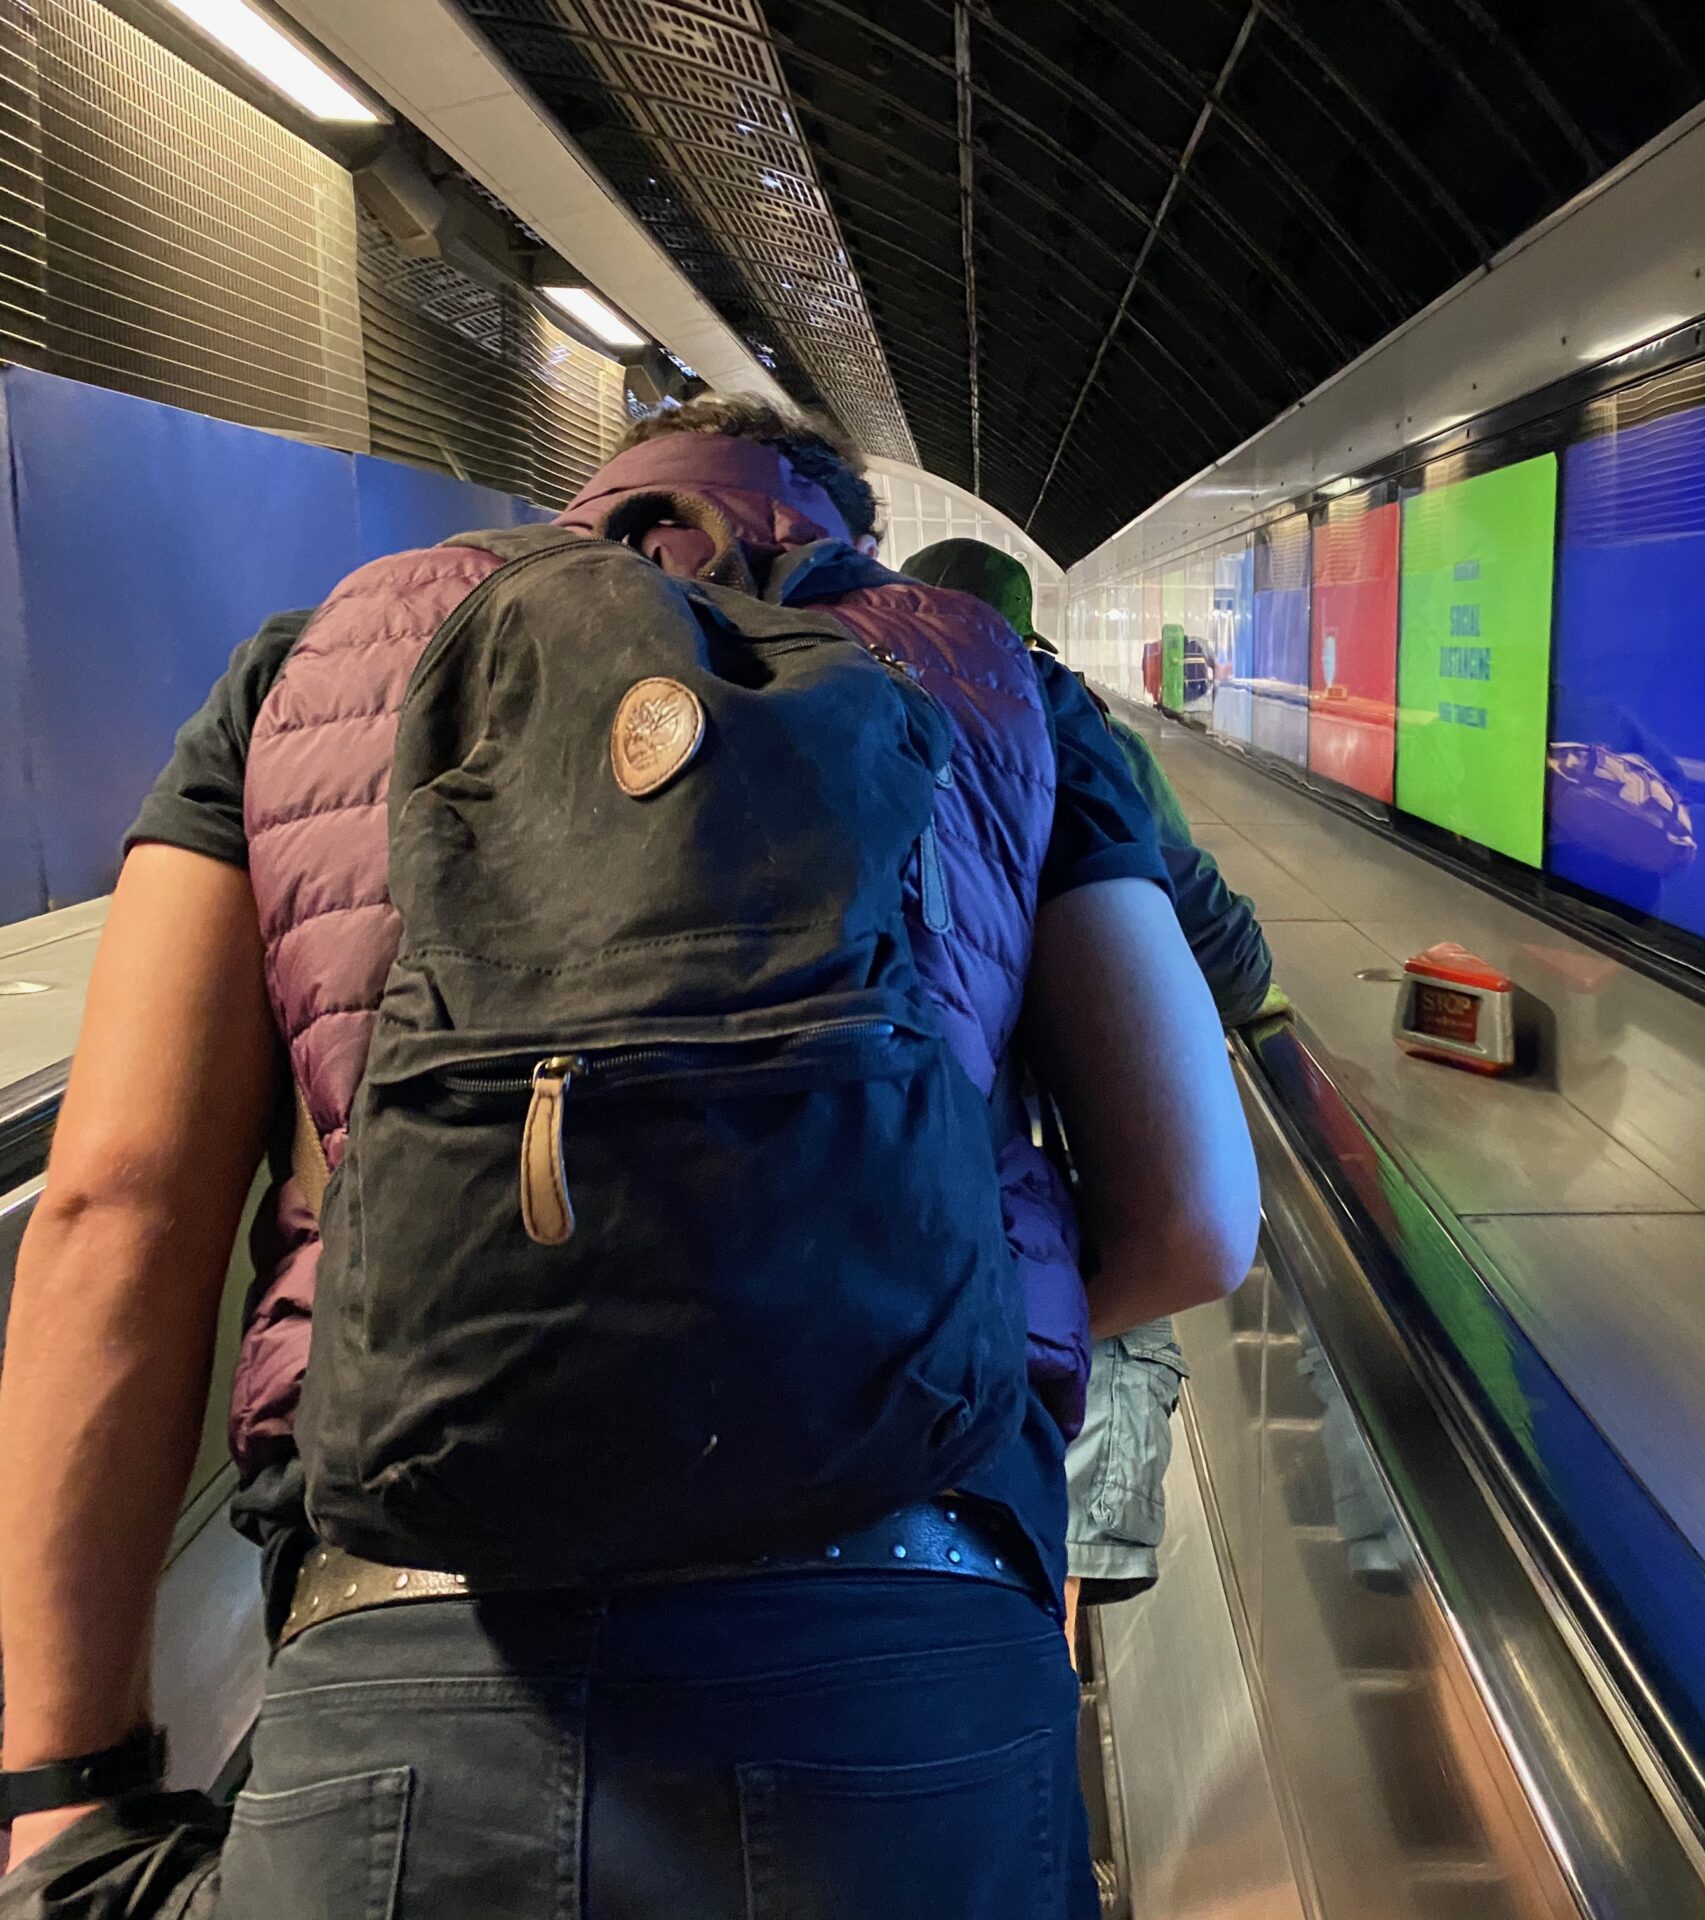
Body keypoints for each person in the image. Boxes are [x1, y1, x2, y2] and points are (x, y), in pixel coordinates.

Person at [0, 398, 1261, 1916]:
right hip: (904, 1665)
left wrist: (64, 1792)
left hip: (407, 1650)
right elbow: (1196, 1216)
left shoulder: (307, 670)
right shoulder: (996, 685)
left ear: (581, 499)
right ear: (840, 525)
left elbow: (115, 1208)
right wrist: (891, 1327)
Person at [899, 539, 1276, 1645]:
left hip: (876, 1223)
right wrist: (1260, 1009)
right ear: (1023, 632)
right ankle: (1044, 1678)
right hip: (1031, 1234)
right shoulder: (1062, 723)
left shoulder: (830, 696)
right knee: (1041, 1552)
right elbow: (1190, 906)